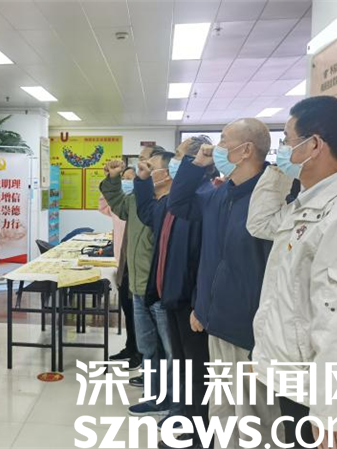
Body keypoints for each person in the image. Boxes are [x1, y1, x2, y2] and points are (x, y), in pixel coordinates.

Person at [247, 96, 337, 449]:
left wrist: (330, 412)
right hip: (298, 384)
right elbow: (259, 223)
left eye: (288, 141)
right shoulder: (308, 204)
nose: (283, 149)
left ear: (314, 144)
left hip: (323, 399)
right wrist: (279, 172)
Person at [168, 119, 280, 449]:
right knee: (221, 413)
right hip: (215, 324)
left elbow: (273, 275)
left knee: (253, 422)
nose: (215, 148)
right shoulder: (221, 195)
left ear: (245, 150)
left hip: (249, 333)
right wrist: (201, 306)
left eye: (223, 141)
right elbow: (179, 205)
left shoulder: (269, 200)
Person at [134, 138, 216, 449]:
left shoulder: (204, 199)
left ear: (197, 163)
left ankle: (199, 436)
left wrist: (198, 304)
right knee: (183, 368)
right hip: (170, 297)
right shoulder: (173, 202)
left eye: (180, 157)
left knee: (197, 374)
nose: (174, 163)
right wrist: (142, 182)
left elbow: (206, 259)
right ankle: (187, 426)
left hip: (190, 303)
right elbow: (146, 213)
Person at [100, 144, 161, 389]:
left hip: (154, 281)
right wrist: (113, 180)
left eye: (145, 161)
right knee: (146, 339)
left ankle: (162, 387)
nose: (139, 166)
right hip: (133, 274)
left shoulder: (165, 200)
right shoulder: (136, 199)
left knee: (161, 340)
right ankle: (150, 379)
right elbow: (117, 204)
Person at [99, 166, 143, 370]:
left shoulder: (137, 204)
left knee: (136, 312)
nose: (126, 181)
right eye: (123, 178)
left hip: (134, 263)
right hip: (121, 263)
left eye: (130, 178)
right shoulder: (121, 206)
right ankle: (130, 346)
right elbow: (103, 205)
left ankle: (139, 352)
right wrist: (111, 178)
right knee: (127, 308)